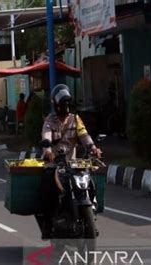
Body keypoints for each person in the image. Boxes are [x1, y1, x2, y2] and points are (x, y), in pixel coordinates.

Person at [37, 84, 102, 240]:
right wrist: (47, 151)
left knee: (90, 181)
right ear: (56, 105)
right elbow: (46, 136)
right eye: (62, 104)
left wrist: (93, 147)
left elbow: (84, 135)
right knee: (46, 185)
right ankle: (47, 225)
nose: (65, 107)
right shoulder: (49, 121)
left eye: (67, 104)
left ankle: (92, 209)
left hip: (73, 164)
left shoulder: (75, 119)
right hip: (55, 165)